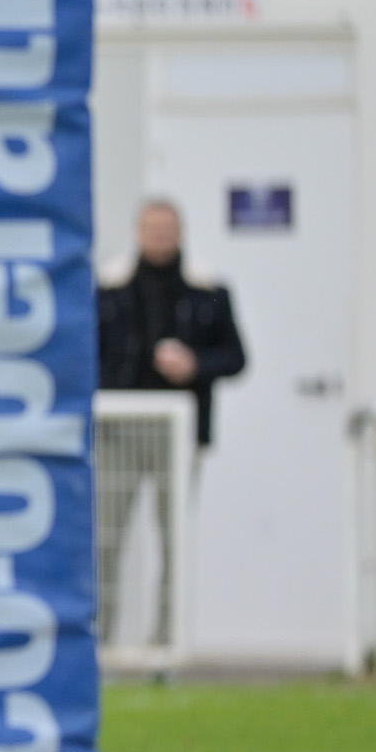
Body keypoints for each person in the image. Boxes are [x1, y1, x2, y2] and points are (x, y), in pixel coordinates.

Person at [96, 198, 247, 642]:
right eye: (152, 229)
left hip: (179, 435)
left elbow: (236, 357)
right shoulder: (108, 288)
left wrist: (195, 364)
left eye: (168, 229)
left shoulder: (209, 290)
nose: (160, 237)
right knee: (106, 538)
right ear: (138, 232)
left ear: (180, 233)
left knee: (173, 541)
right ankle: (101, 640)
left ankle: (165, 645)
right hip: (119, 432)